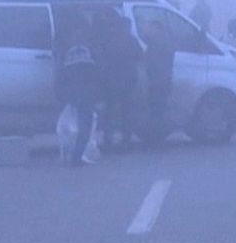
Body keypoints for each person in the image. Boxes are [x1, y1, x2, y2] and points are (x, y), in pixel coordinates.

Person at [54, 27, 102, 166]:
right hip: (86, 95)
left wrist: (61, 95)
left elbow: (60, 76)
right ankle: (77, 156)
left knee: (67, 126)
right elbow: (97, 75)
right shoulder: (90, 52)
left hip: (72, 94)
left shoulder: (65, 52)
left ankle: (69, 154)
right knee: (84, 128)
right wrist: (99, 96)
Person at [96, 14, 143, 149]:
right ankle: (126, 139)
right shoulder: (132, 40)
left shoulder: (108, 39)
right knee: (126, 111)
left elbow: (101, 58)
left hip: (111, 80)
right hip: (128, 80)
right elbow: (140, 56)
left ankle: (108, 138)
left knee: (110, 110)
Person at [139, 19, 175, 143]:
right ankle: (157, 139)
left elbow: (155, 62)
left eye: (151, 28)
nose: (149, 30)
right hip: (161, 80)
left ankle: (156, 139)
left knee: (157, 112)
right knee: (158, 111)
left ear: (157, 29)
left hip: (158, 81)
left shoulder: (159, 43)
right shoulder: (163, 41)